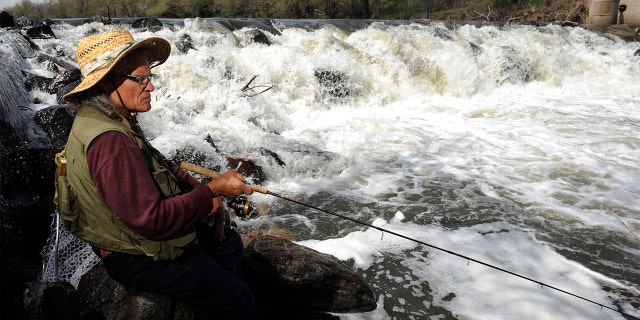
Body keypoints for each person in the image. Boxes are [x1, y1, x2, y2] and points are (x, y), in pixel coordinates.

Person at [58, 29, 256, 319]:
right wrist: (211, 193)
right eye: (140, 79)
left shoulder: (103, 117)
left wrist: (203, 191)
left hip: (132, 237)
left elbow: (162, 162)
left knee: (229, 244)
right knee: (242, 301)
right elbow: (153, 221)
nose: (150, 87)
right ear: (106, 83)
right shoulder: (112, 141)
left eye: (150, 78)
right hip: (136, 255)